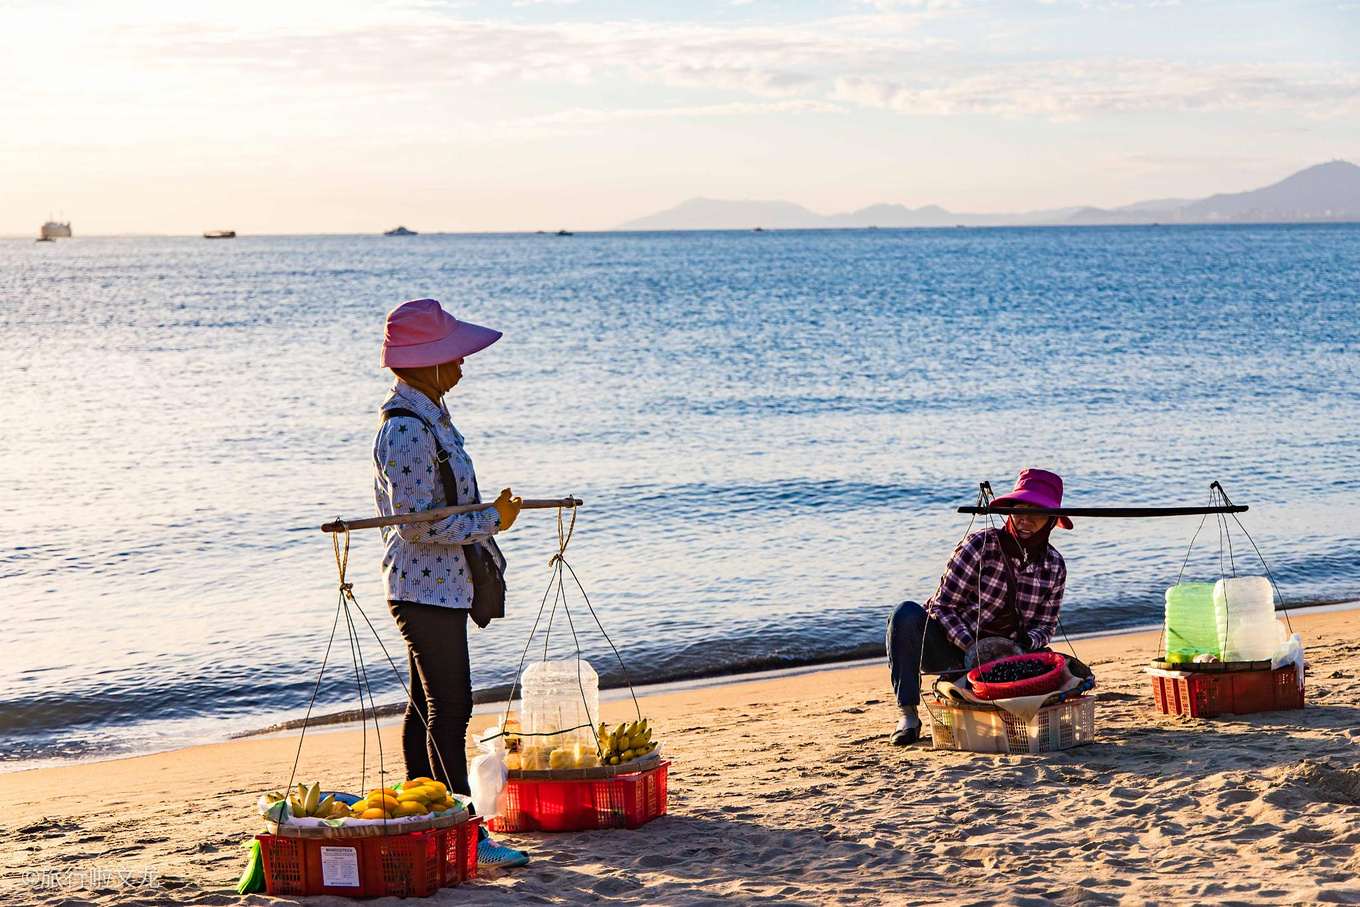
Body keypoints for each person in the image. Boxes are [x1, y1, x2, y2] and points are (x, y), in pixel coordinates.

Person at [374, 297, 528, 867]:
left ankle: (427, 818)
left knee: (426, 705)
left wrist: (487, 512)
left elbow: (436, 508)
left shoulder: (431, 415)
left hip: (440, 586)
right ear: (427, 362)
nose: (462, 366)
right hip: (422, 588)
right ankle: (464, 830)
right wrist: (494, 520)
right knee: (452, 705)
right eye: (454, 356)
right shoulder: (407, 429)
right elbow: (417, 524)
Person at [885, 469, 1072, 746]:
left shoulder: (1054, 565)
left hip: (1007, 656)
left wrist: (1023, 644)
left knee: (1061, 668)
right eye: (1019, 509)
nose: (1025, 519)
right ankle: (909, 715)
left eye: (1037, 512)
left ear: (1052, 520)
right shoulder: (978, 546)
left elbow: (1045, 625)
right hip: (953, 647)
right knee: (905, 615)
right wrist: (972, 648)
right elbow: (943, 605)